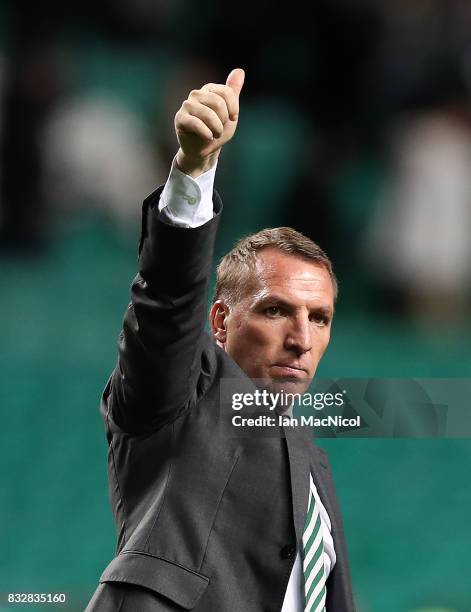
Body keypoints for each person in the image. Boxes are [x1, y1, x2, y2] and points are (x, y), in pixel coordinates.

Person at [86, 68, 355, 612]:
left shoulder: (311, 461)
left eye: (320, 317)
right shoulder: (180, 396)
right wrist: (194, 169)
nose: (301, 339)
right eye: (276, 310)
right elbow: (165, 304)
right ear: (220, 321)